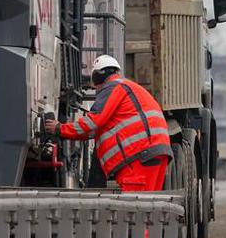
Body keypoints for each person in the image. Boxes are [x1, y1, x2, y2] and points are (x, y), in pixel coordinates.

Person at [44, 54, 172, 193]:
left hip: (138, 156)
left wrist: (59, 128)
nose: (96, 90)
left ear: (97, 77)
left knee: (133, 210)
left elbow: (92, 122)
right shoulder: (129, 87)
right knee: (149, 207)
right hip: (156, 152)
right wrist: (67, 132)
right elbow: (94, 130)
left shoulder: (112, 87)